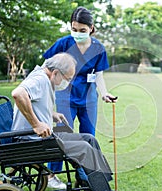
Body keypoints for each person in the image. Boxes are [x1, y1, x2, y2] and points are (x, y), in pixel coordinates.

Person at [11, 53, 125, 191]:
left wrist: (51, 114)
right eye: (67, 79)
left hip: (45, 137)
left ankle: (99, 185)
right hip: (33, 141)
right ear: (56, 73)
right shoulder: (40, 79)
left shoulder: (45, 77)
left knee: (89, 139)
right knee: (84, 148)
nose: (68, 82)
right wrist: (36, 124)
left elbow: (34, 101)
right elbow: (18, 93)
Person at [43, 6, 117, 182]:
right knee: (62, 135)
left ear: (91, 28)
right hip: (65, 97)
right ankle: (53, 174)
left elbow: (98, 74)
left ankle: (84, 175)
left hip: (88, 99)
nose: (77, 33)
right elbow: (45, 65)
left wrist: (104, 93)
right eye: (74, 29)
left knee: (88, 137)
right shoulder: (63, 43)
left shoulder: (99, 48)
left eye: (82, 30)